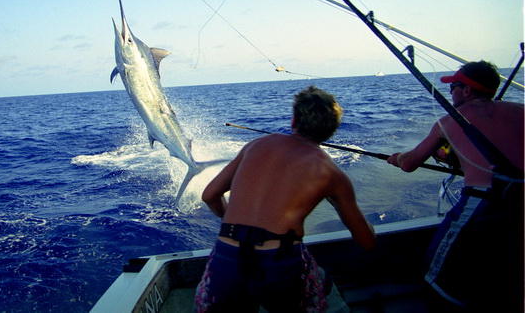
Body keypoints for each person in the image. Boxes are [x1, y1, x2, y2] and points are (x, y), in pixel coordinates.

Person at [194, 85, 376, 312]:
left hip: (228, 252)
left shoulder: (255, 145)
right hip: (278, 262)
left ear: (293, 121)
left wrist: (230, 219)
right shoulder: (333, 175)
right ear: (331, 130)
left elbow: (210, 195)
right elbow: (367, 242)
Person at [387, 60, 524, 311]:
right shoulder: (521, 110)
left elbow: (410, 163)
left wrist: (397, 157)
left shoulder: (450, 122)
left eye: (454, 88)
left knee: (435, 275)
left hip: (483, 204)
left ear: (468, 91)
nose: (451, 93)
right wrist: (448, 155)